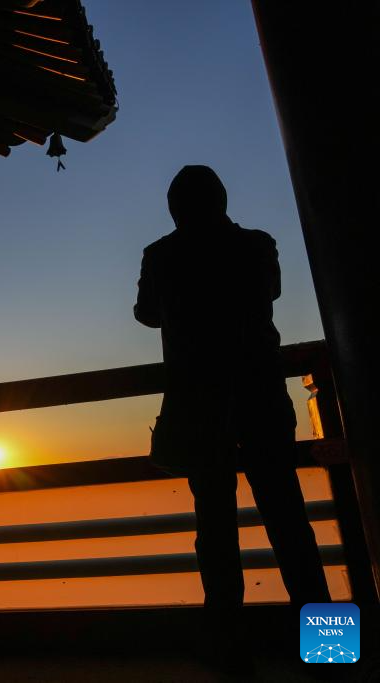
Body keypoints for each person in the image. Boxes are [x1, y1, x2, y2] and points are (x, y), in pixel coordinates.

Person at [135, 166, 330, 650]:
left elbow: (146, 314)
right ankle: (331, 650)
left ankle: (228, 647)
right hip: (261, 394)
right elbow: (272, 292)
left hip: (197, 405)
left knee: (216, 528)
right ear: (222, 200)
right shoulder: (257, 245)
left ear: (174, 209)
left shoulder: (160, 255)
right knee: (290, 522)